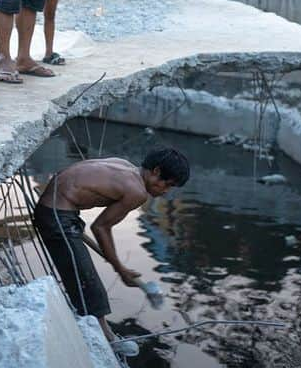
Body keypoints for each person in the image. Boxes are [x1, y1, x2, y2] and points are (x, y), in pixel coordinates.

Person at [34, 148, 190, 355]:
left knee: (80, 271)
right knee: (86, 279)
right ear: (156, 171)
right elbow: (100, 227)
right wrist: (120, 269)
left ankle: (97, 328)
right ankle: (107, 338)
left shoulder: (123, 164)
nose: (165, 191)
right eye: (167, 184)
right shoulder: (137, 192)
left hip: (58, 208)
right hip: (56, 216)